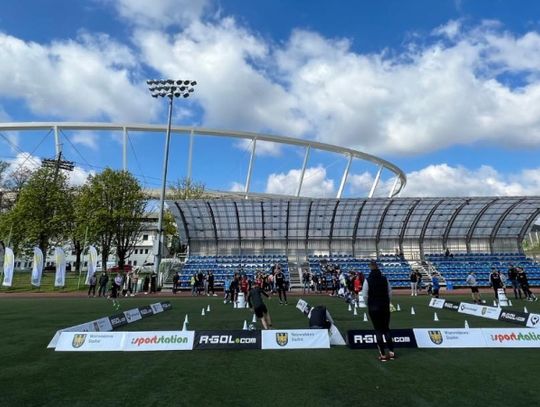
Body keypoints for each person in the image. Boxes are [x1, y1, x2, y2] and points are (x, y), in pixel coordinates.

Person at [361, 260, 395, 362]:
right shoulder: (385, 279)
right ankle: (392, 352)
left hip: (373, 307)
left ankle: (383, 354)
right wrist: (387, 302)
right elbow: (390, 292)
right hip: (384, 306)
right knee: (386, 328)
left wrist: (368, 304)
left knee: (378, 330)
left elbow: (365, 295)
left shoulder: (367, 280)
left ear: (370, 268)